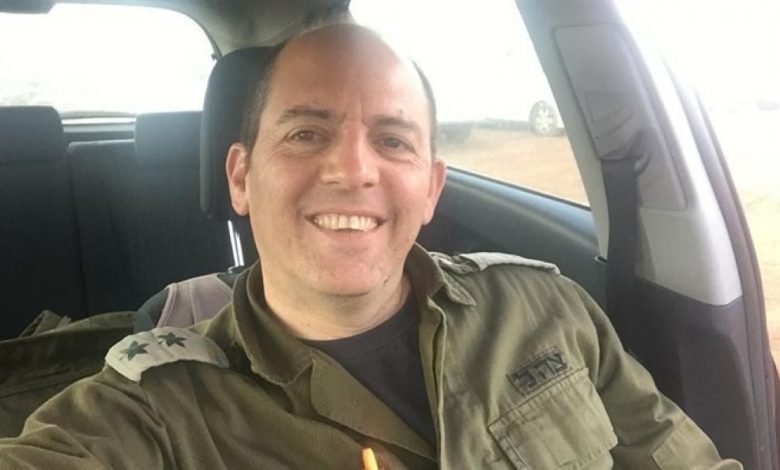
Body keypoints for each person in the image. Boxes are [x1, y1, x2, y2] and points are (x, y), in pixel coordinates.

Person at [0, 23, 741, 469]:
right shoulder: (156, 410)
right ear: (241, 176)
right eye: (306, 133)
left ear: (431, 187)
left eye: (392, 140)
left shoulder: (547, 308)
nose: (353, 170)